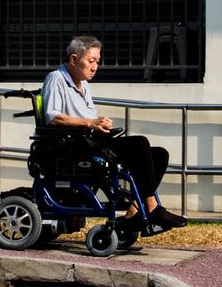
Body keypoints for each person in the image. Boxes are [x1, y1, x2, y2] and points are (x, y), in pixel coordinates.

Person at [41, 35, 187, 231]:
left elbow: (89, 118)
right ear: (74, 59)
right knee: (140, 143)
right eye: (90, 61)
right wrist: (91, 122)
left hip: (92, 141)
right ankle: (152, 207)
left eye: (97, 62)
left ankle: (134, 212)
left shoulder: (84, 85)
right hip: (73, 146)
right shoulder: (56, 79)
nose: (95, 67)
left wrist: (101, 124)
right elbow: (53, 117)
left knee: (159, 154)